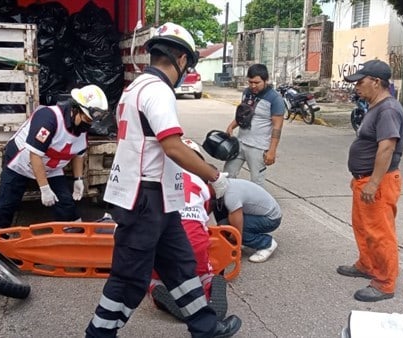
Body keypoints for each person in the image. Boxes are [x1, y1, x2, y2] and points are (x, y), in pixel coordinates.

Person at [86, 22, 242, 338]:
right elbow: (172, 146)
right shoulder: (158, 91)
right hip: (145, 198)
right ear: (182, 60)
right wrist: (214, 177)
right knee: (129, 278)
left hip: (156, 198)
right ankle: (99, 334)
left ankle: (206, 327)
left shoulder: (135, 88)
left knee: (181, 266)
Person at [0, 85, 109, 229]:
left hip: (51, 168)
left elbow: (78, 154)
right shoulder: (48, 117)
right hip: (21, 163)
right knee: (6, 203)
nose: (89, 124)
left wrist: (78, 179)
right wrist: (44, 188)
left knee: (66, 203)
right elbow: (35, 155)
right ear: (76, 109)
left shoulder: (81, 128)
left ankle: (74, 236)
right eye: (87, 119)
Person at [338, 59, 403, 302]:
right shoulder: (375, 106)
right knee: (363, 227)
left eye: (360, 82)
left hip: (379, 182)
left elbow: (387, 148)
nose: (356, 87)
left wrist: (374, 182)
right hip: (364, 179)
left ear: (376, 82)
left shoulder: (388, 109)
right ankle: (367, 264)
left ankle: (385, 283)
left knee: (380, 233)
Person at [149, 138, 228, 322]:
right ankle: (208, 286)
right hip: (194, 240)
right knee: (202, 272)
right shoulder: (200, 183)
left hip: (163, 239)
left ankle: (157, 287)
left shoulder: (158, 178)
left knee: (155, 274)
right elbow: (204, 216)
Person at [223, 64, 285, 187]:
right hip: (240, 142)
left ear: (266, 80)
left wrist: (272, 151)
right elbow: (243, 114)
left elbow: (277, 127)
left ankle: (256, 204)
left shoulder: (275, 99)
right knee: (227, 175)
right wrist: (231, 126)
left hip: (258, 147)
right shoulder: (247, 92)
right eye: (250, 82)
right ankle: (226, 203)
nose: (253, 86)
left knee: (257, 181)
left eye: (257, 82)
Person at [212, 178, 281, 263]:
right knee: (222, 218)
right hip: (262, 213)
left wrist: (233, 240)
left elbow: (236, 230)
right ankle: (243, 238)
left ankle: (266, 243)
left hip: (271, 219)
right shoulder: (225, 184)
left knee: (230, 228)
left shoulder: (231, 195)